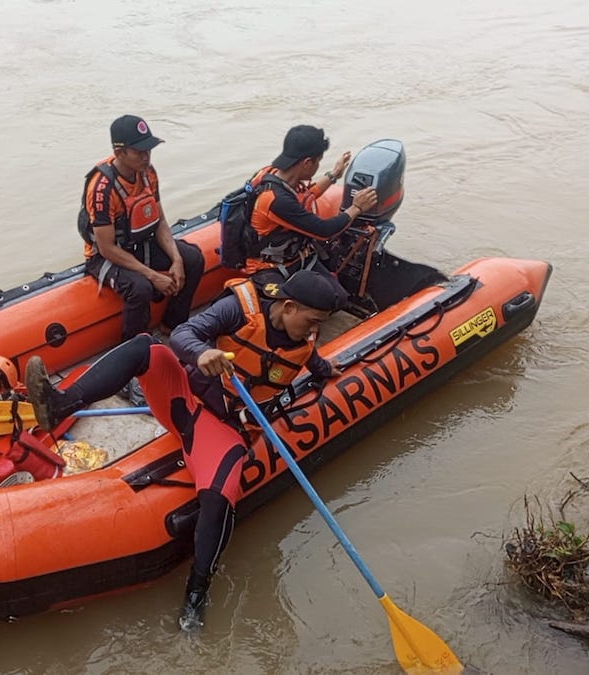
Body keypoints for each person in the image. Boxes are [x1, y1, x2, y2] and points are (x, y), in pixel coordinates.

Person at [24, 269, 348, 631]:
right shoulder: (239, 308)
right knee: (146, 347)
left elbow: (307, 357)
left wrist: (324, 369)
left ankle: (196, 592)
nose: (314, 329)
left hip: (224, 427)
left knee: (220, 497)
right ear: (288, 307)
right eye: (312, 321)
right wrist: (203, 352)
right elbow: (183, 334)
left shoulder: (304, 335)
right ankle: (61, 404)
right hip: (182, 398)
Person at [78, 114, 206, 343]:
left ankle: (173, 326)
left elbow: (160, 221)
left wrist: (176, 259)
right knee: (140, 288)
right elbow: (106, 248)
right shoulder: (102, 189)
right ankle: (134, 347)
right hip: (106, 255)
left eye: (149, 150)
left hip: (139, 243)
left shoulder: (148, 172)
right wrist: (152, 275)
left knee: (193, 259)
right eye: (139, 152)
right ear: (119, 153)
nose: (146, 156)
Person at [244, 125, 379, 282]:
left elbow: (306, 195)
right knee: (333, 294)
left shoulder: (273, 173)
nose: (318, 166)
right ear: (307, 163)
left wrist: (334, 175)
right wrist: (356, 207)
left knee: (335, 284)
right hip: (269, 268)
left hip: (294, 258)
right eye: (318, 162)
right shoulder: (276, 200)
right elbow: (324, 230)